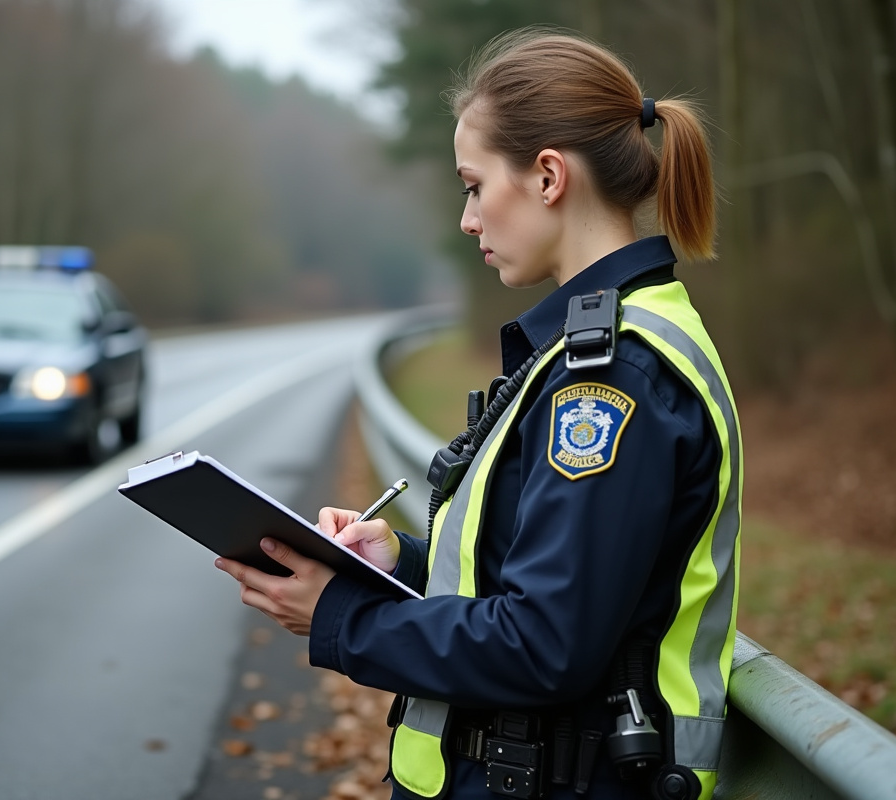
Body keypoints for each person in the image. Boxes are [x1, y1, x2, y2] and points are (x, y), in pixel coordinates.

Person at [215, 29, 742, 800]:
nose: (468, 219)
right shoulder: (593, 347)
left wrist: (341, 616)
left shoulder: (608, 380)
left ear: (549, 176)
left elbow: (543, 644)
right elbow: (538, 576)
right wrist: (398, 562)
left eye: (473, 185)